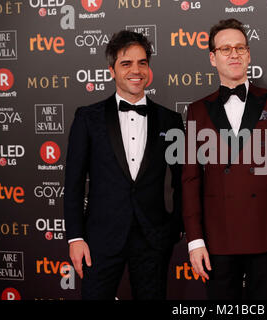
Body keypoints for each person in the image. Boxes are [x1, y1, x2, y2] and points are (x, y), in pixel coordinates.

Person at [182, 19, 267, 299]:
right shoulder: (197, 111)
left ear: (249, 54)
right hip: (217, 239)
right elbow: (190, 180)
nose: (234, 54)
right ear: (213, 58)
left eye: (240, 47)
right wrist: (195, 240)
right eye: (225, 49)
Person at [64, 30, 184, 300]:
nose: (136, 70)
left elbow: (181, 180)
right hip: (99, 239)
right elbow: (72, 184)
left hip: (153, 238)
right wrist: (75, 238)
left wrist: (173, 227)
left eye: (142, 62)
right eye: (126, 63)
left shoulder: (170, 120)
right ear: (111, 70)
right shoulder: (87, 118)